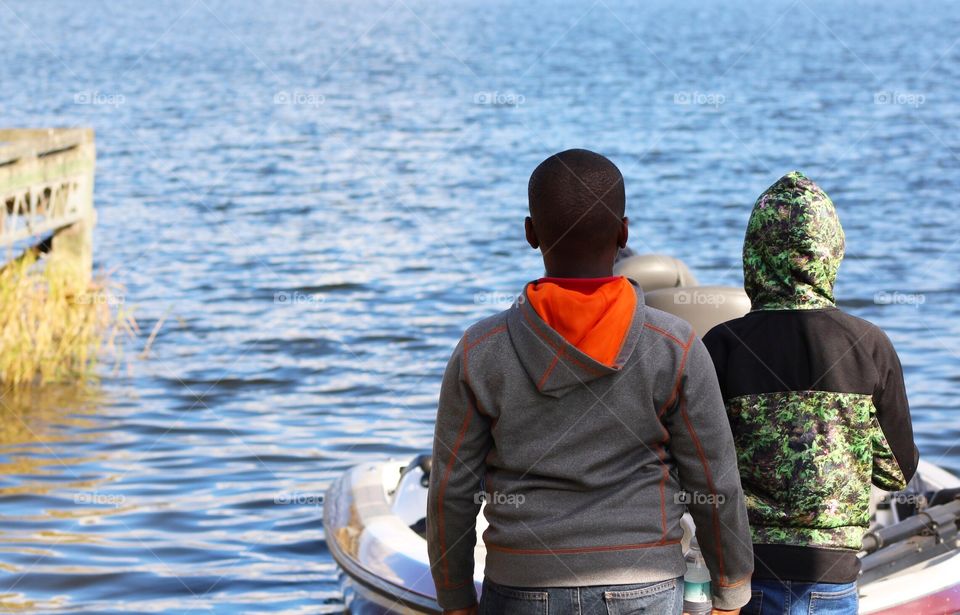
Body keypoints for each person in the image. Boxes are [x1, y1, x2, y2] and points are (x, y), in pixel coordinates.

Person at [426, 149, 753, 615]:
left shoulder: (482, 350)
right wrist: (730, 589)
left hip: (522, 585)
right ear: (623, 233)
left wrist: (456, 597)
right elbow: (715, 479)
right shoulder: (674, 345)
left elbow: (450, 490)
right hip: (645, 584)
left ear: (530, 234)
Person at [703, 171, 920, 615]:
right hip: (832, 575)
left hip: (746, 576)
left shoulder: (722, 344)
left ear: (755, 253)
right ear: (831, 251)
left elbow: (702, 466)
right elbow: (897, 471)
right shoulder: (870, 343)